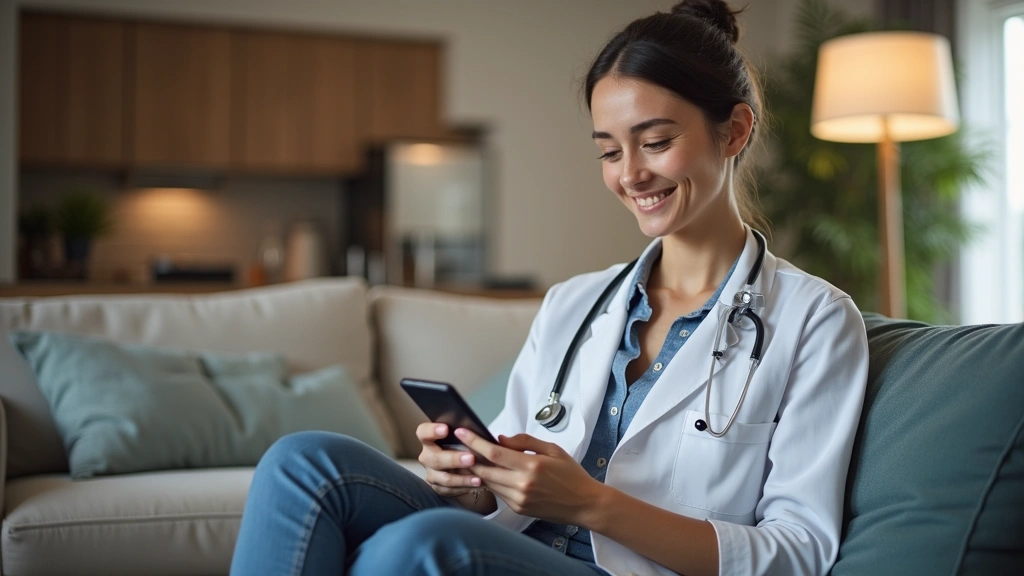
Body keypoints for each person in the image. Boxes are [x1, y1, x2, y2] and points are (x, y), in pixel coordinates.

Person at [228, 1, 869, 574]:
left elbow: (799, 551)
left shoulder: (815, 319)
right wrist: (470, 479)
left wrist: (591, 504)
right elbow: (499, 488)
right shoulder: (574, 303)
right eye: (610, 152)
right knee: (302, 461)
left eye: (656, 142)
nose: (631, 175)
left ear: (734, 131)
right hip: (517, 549)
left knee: (421, 547)